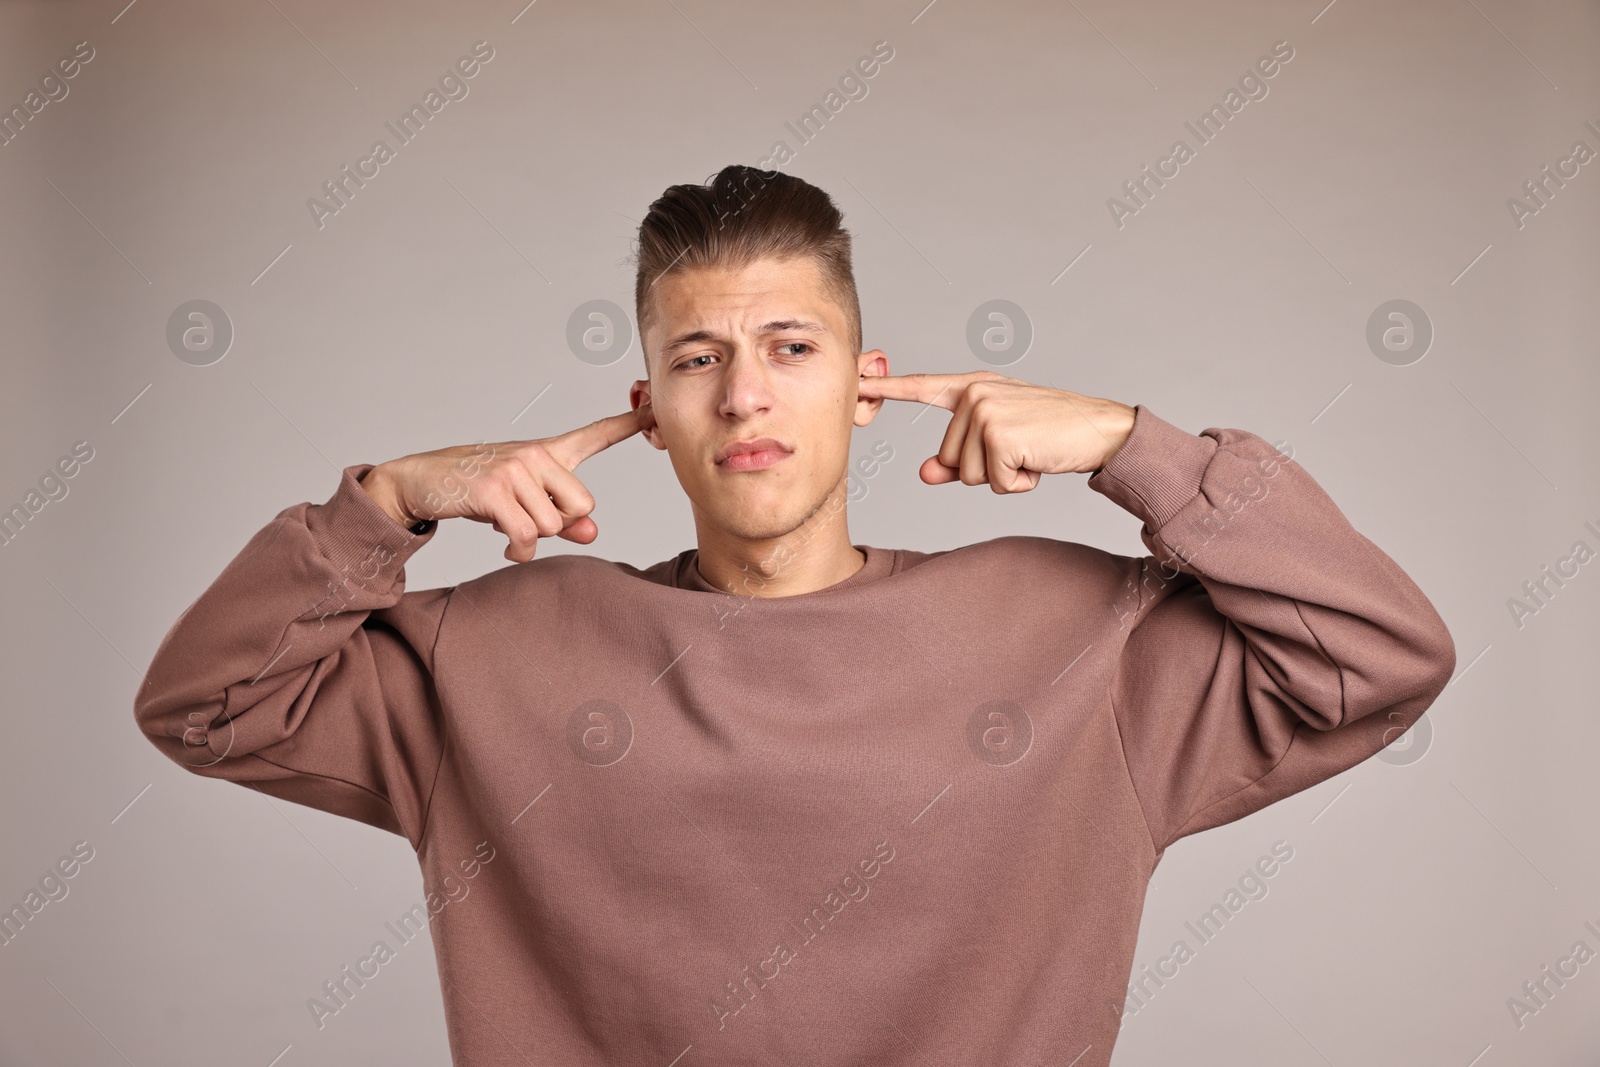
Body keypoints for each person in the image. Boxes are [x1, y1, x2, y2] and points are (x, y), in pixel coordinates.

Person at [133, 164, 1456, 1066]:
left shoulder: (1074, 640)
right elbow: (207, 705)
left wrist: (1134, 444)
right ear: (648, 411)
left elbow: (1381, 659)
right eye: (700, 360)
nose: (747, 398)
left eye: (793, 348)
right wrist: (389, 500)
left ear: (865, 386)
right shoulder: (496, 656)